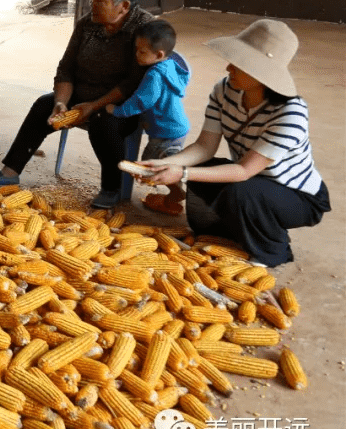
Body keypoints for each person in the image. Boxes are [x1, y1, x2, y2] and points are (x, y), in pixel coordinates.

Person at [141, 19, 330, 267]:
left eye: (239, 64)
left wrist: (182, 173)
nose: (229, 67)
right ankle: (227, 232)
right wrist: (164, 163)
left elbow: (244, 171)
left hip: (298, 195)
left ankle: (273, 251)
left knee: (240, 191)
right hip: (252, 183)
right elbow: (204, 147)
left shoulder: (290, 113)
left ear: (262, 74)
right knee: (207, 172)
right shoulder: (225, 90)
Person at [0, 0, 155, 208]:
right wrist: (61, 101)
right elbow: (66, 68)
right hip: (81, 93)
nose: (91, 3)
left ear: (123, 7)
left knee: (104, 123)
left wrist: (93, 106)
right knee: (43, 105)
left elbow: (132, 84)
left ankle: (111, 189)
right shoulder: (87, 24)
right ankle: (9, 173)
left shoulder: (144, 29)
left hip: (120, 104)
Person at [105, 19, 190, 215]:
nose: (136, 55)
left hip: (165, 132)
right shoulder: (173, 66)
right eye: (136, 49)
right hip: (176, 128)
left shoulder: (154, 75)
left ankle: (178, 192)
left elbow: (141, 101)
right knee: (160, 163)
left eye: (142, 52)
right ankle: (177, 191)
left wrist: (116, 110)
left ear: (159, 54)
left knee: (153, 164)